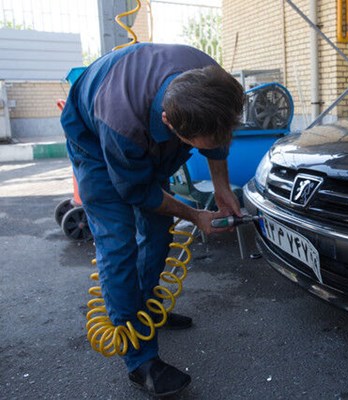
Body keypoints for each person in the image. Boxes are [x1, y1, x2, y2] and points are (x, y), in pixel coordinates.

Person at [60, 43, 245, 397]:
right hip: (95, 142)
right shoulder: (121, 123)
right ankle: (139, 358)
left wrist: (222, 188)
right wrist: (195, 215)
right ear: (169, 122)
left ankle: (146, 312)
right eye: (196, 144)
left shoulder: (212, 82)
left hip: (146, 122)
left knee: (159, 230)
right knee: (119, 242)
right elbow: (138, 193)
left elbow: (215, 140)